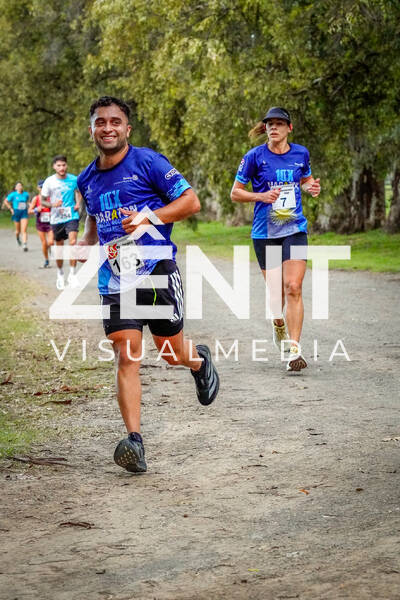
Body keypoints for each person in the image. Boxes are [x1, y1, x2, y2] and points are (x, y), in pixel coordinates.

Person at [77, 96, 219, 474]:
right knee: (127, 355)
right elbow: (92, 218)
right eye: (101, 122)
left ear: (127, 128)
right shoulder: (86, 178)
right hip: (114, 278)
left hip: (156, 269)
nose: (108, 128)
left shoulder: (148, 162)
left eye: (115, 121)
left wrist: (148, 217)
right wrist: (85, 242)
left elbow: (191, 202)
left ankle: (198, 361)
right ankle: (135, 441)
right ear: (91, 129)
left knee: (170, 352)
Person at [231, 107, 321, 371]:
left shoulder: (300, 153)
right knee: (276, 294)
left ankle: (294, 351)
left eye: (279, 124)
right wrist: (260, 196)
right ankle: (278, 322)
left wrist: (311, 187)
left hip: (294, 229)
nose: (273, 128)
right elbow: (235, 193)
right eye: (269, 124)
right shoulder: (254, 157)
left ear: (289, 128)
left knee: (293, 286)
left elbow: (305, 179)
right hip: (265, 233)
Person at [40, 155, 82, 289]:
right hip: (57, 218)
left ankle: (72, 275)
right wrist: (53, 204)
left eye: (63, 165)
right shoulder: (49, 181)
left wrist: (78, 203)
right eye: (58, 165)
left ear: (66, 165)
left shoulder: (74, 179)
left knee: (73, 242)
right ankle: (60, 274)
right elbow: (42, 200)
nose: (61, 168)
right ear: (54, 167)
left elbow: (79, 192)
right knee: (59, 248)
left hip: (71, 215)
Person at [28, 180, 53, 268]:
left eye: (44, 187)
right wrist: (36, 209)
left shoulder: (51, 197)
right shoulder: (36, 198)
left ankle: (49, 249)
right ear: (38, 188)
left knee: (50, 242)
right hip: (40, 223)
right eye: (41, 187)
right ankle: (46, 260)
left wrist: (53, 212)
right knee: (44, 243)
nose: (42, 189)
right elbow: (29, 211)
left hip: (50, 223)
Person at [4, 182, 30, 251]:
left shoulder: (26, 194)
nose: (20, 187)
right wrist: (11, 209)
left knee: (24, 230)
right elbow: (6, 201)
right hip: (16, 212)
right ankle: (17, 238)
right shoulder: (13, 194)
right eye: (18, 186)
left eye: (21, 185)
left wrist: (30, 205)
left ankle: (25, 245)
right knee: (18, 231)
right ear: (15, 188)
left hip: (24, 212)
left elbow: (27, 201)